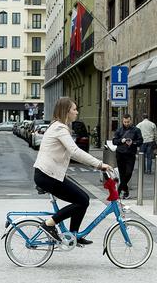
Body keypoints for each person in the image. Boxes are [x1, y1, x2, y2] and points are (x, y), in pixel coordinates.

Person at [32, 97, 112, 244]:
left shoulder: (57, 126)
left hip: (48, 174)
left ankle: (74, 235)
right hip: (47, 175)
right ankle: (49, 224)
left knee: (82, 199)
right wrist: (100, 164)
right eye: (74, 109)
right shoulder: (59, 128)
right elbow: (75, 151)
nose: (77, 112)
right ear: (66, 111)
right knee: (82, 200)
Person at [113, 113, 143, 199]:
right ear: (122, 121)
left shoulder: (136, 130)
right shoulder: (119, 130)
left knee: (129, 172)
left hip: (130, 154)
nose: (126, 123)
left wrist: (132, 142)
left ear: (131, 121)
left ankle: (119, 190)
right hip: (120, 154)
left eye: (128, 122)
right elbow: (114, 141)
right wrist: (121, 140)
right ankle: (125, 191)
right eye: (125, 122)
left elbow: (140, 141)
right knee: (122, 174)